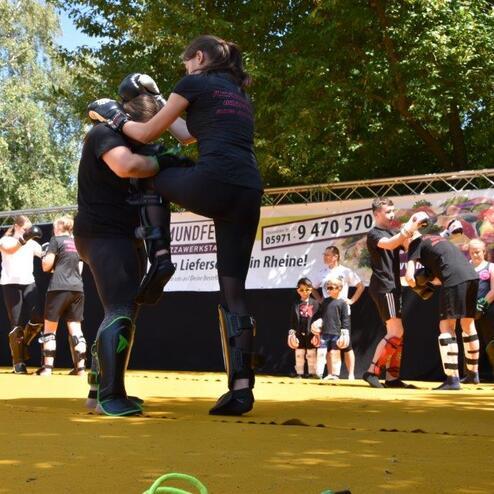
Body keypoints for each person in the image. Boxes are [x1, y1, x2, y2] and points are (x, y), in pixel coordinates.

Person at [88, 35, 263, 416]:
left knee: (154, 172)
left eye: (186, 62)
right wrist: (162, 100)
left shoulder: (193, 82)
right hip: (249, 190)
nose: (184, 69)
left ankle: (161, 257)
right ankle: (241, 390)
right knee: (234, 290)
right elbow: (185, 134)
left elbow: (146, 134)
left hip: (214, 182)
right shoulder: (237, 92)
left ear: (198, 57)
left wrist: (113, 116)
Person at [75, 92, 169, 416]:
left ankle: (98, 390)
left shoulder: (133, 142)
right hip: (103, 234)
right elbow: (124, 165)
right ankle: (110, 396)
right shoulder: (104, 134)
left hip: (123, 234)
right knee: (120, 309)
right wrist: (162, 162)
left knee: (122, 311)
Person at [363, 198, 427, 388]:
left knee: (398, 334)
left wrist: (416, 228)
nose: (392, 215)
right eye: (387, 212)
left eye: (393, 211)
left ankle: (392, 378)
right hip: (384, 286)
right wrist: (408, 227)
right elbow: (390, 244)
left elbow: (410, 246)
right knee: (396, 332)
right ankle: (371, 372)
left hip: (393, 286)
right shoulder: (374, 234)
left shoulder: (393, 232)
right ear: (376, 214)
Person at [406, 225, 480, 390]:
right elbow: (441, 271)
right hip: (471, 276)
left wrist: (416, 285)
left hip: (454, 278)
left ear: (408, 236)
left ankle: (452, 380)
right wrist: (430, 281)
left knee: (446, 326)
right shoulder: (435, 239)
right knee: (468, 324)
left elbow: (409, 276)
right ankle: (473, 374)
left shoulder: (414, 243)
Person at [37, 216, 86, 376]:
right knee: (76, 330)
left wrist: (45, 257)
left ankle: (47, 369)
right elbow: (80, 268)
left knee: (50, 330)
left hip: (58, 288)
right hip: (77, 288)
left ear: (58, 227)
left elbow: (46, 266)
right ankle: (81, 369)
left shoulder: (55, 240)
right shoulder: (77, 243)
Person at [311, 245, 364, 379]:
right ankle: (330, 373)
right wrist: (320, 299)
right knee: (329, 344)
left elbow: (360, 286)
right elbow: (312, 287)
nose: (325, 257)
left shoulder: (345, 271)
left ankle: (351, 374)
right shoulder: (322, 272)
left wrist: (352, 300)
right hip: (328, 313)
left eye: (327, 255)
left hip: (342, 312)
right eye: (324, 255)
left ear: (336, 256)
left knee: (346, 344)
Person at [0, 215, 43, 374]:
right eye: (26, 229)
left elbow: (44, 254)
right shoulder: (6, 240)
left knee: (38, 317)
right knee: (16, 322)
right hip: (10, 284)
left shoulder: (32, 243)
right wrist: (24, 239)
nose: (29, 231)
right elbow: (9, 250)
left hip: (28, 282)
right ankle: (18, 362)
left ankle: (22, 344)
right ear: (17, 227)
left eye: (30, 229)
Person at [310, 276, 351, 380]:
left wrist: (345, 332)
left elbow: (345, 318)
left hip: (336, 333)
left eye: (332, 288)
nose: (329, 290)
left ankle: (335, 374)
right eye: (328, 288)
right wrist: (316, 323)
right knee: (321, 352)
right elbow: (320, 314)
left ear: (340, 288)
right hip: (324, 332)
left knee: (334, 353)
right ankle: (319, 373)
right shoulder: (325, 302)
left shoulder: (342, 303)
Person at [468, 238, 494, 379]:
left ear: (484, 252)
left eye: (477, 252)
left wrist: (482, 304)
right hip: (468, 313)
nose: (475, 255)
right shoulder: (466, 267)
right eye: (472, 252)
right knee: (469, 341)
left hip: (488, 311)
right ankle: (471, 374)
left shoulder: (491, 267)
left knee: (491, 342)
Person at [287, 278, 319, 378]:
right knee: (299, 353)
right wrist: (291, 332)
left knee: (311, 353)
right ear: (298, 290)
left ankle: (312, 373)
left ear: (311, 290)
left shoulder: (315, 303)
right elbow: (292, 319)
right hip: (298, 332)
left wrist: (317, 333)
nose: (304, 292)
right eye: (301, 290)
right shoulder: (295, 304)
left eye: (307, 289)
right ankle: (299, 373)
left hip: (311, 333)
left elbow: (318, 319)